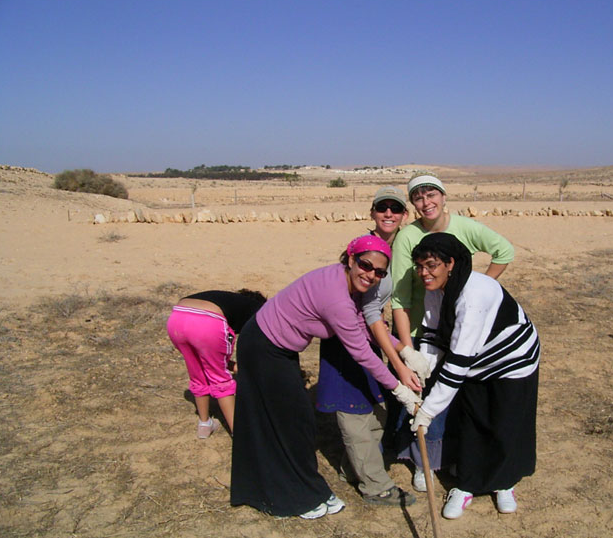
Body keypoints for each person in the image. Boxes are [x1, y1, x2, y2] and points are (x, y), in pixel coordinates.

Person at [230, 235, 422, 520]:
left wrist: (403, 350)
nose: (370, 275)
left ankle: (299, 489)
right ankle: (297, 497)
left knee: (291, 422)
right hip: (263, 348)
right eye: (365, 265)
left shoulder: (346, 287)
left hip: (279, 349)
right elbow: (361, 352)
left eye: (379, 272)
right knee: (292, 424)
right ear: (351, 258)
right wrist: (398, 388)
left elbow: (364, 323)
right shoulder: (335, 296)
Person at [389, 173, 516, 491]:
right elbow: (400, 298)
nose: (426, 202)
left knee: (457, 397)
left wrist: (476, 288)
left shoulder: (466, 227)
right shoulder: (408, 237)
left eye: (431, 194)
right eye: (418, 198)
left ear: (444, 196)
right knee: (425, 397)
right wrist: (407, 348)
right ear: (413, 205)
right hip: (422, 330)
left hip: (460, 328)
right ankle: (423, 463)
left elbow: (504, 252)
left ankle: (453, 455)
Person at [408, 233, 540, 519]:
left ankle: (504, 483)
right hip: (476, 360)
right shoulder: (435, 289)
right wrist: (423, 370)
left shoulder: (474, 293)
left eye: (431, 265)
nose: (424, 273)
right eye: (419, 266)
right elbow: (432, 334)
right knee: (473, 418)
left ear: (450, 263)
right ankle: (466, 486)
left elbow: (457, 361)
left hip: (513, 358)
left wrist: (428, 411)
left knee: (506, 421)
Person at [316, 187, 424, 507]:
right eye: (382, 207)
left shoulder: (405, 247)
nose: (388, 213)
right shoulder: (363, 250)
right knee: (356, 411)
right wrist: (401, 357)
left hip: (373, 337)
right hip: (349, 338)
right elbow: (366, 311)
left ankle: (357, 468)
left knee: (374, 406)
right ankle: (375, 486)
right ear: (372, 212)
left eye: (395, 208)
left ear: (405, 214)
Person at [166, 289, 267, 438]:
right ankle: (239, 434)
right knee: (221, 380)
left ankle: (204, 425)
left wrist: (235, 366)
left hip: (177, 318)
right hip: (208, 321)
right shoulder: (258, 310)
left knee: (197, 372)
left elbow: (214, 360)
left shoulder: (225, 300)